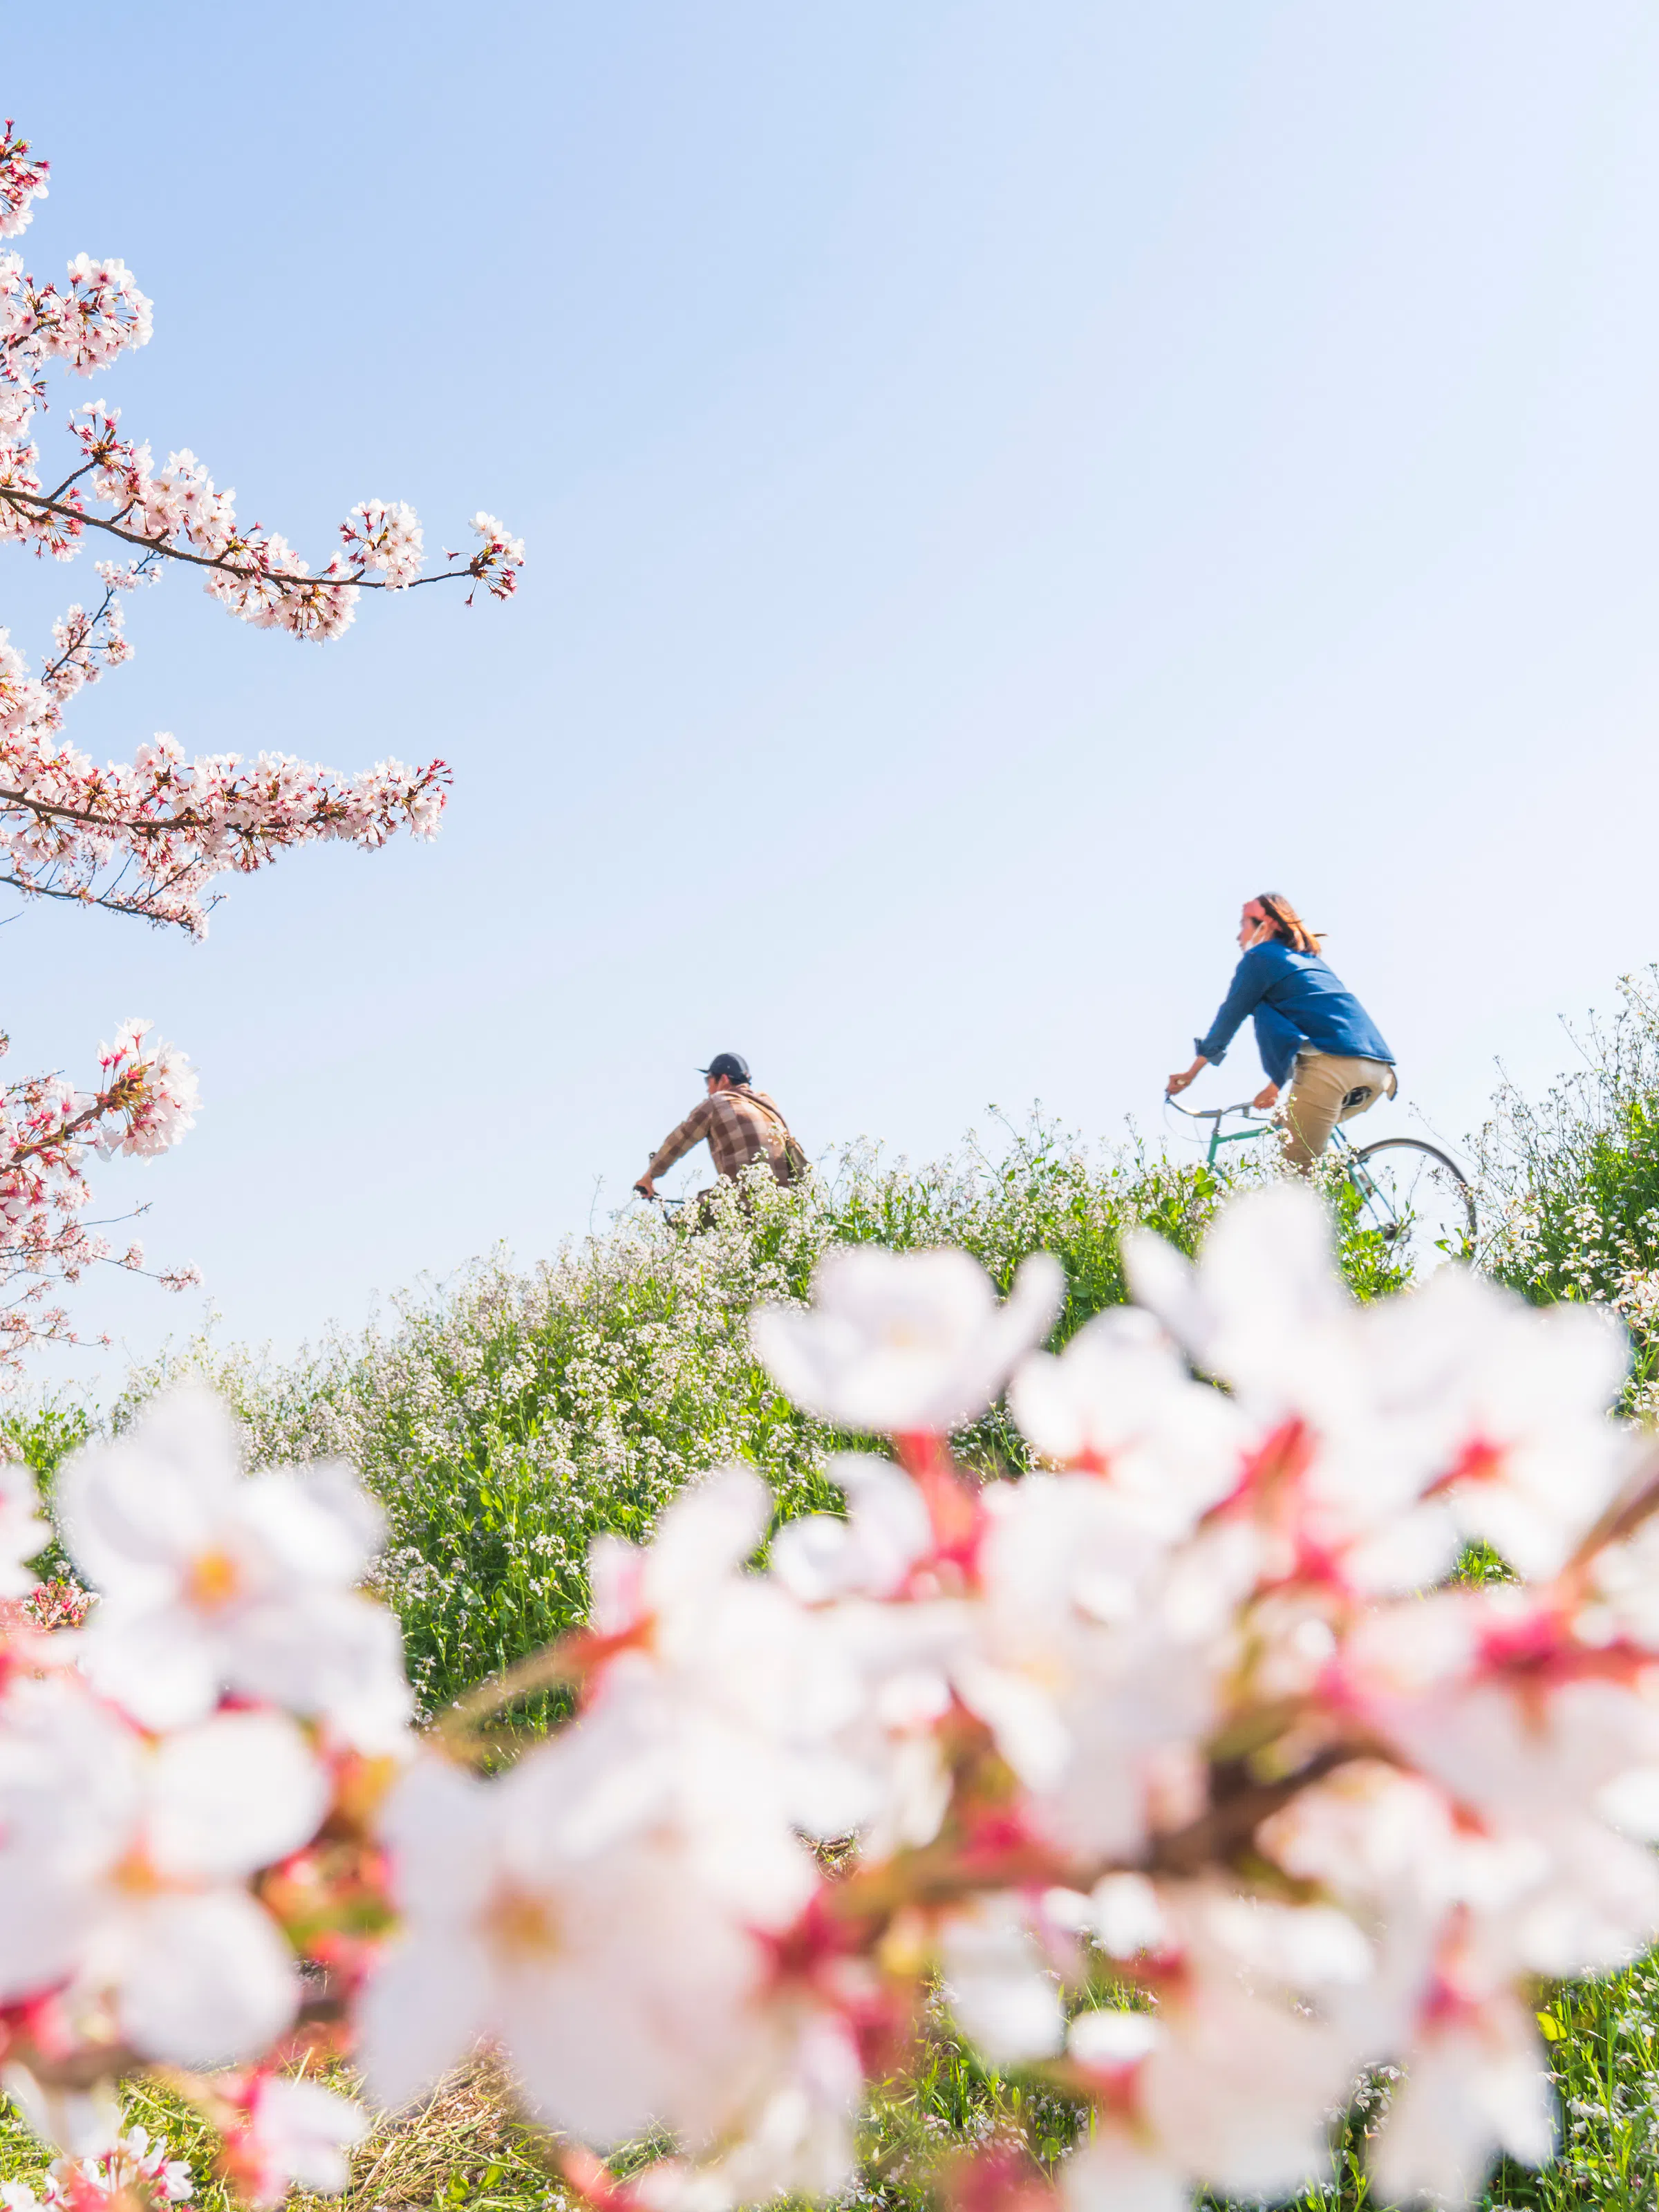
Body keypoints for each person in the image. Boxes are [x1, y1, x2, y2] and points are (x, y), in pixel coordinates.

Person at [1166, 892, 1396, 1172]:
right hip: (1378, 1069)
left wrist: (1191, 1074)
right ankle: (1353, 1187)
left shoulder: (1259, 959)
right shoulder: (1308, 960)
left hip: (1333, 1068)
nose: (1240, 935)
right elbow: (1310, 1024)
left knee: (1295, 1176)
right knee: (1287, 1127)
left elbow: (1229, 1018)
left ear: (1268, 925)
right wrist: (1276, 1085)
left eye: (1244, 925)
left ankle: (1328, 1196)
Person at [634, 1052, 805, 1211]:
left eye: (708, 1081)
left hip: (743, 1203)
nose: (708, 1089)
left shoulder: (718, 1103)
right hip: (784, 1206)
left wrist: (649, 1177)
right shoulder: (769, 1107)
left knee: (684, 1224)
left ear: (723, 1079)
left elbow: (679, 1141)